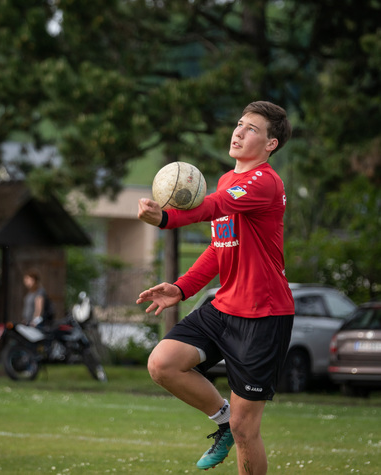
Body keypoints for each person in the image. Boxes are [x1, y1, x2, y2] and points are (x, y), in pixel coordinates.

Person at [136, 101, 295, 474]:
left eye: (252, 128)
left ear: (271, 144)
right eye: (239, 124)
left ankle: (232, 427)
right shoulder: (227, 178)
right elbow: (219, 244)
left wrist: (165, 219)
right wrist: (181, 288)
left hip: (263, 316)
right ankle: (221, 421)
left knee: (246, 429)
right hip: (224, 307)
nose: (239, 131)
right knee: (163, 363)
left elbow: (214, 206)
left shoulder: (265, 182)